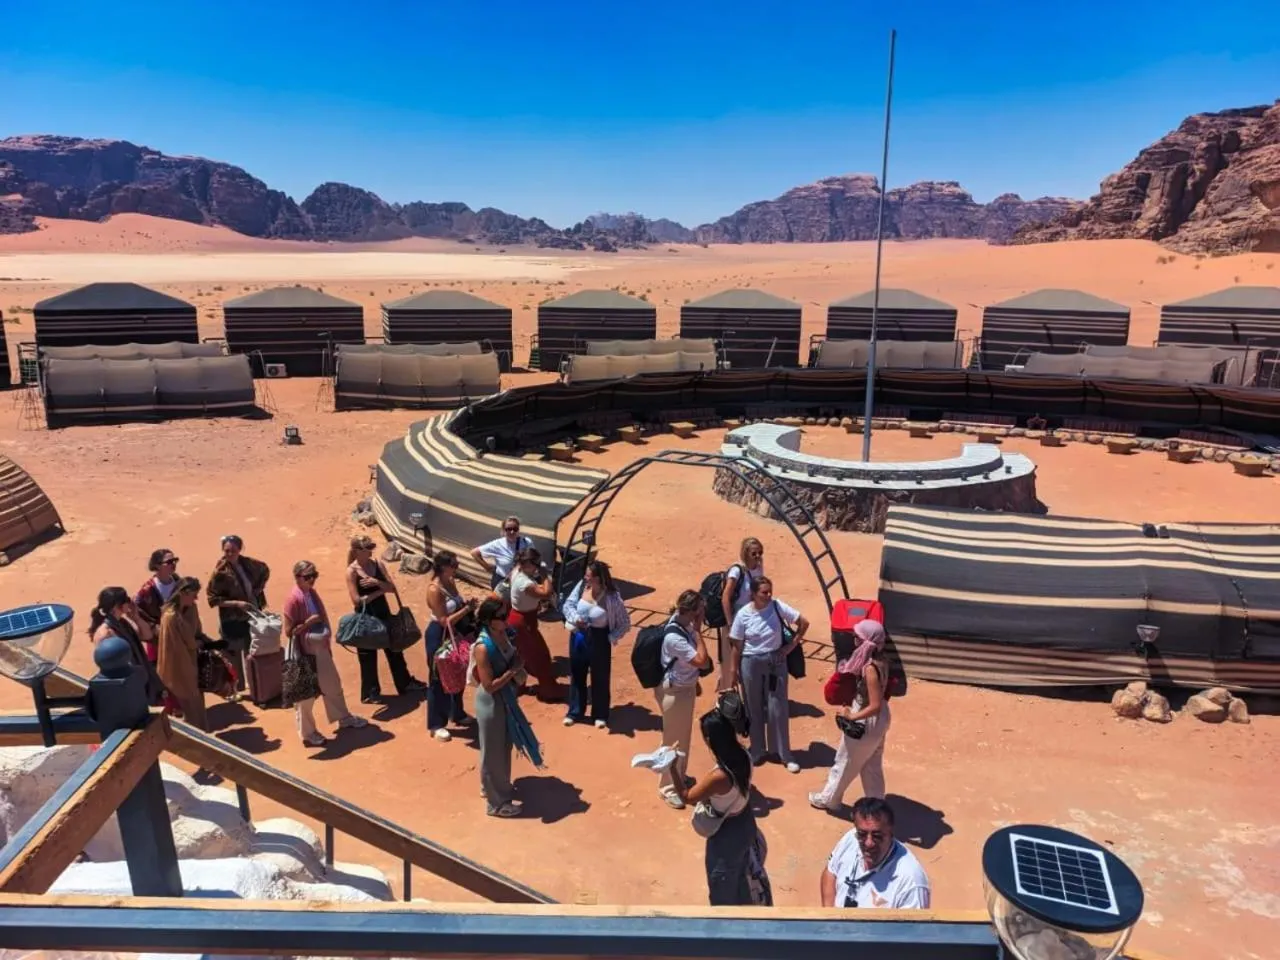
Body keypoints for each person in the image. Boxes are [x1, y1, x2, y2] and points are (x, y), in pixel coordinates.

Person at [670, 696, 773, 906]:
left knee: (721, 889)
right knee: (741, 876)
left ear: (712, 739)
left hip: (726, 835)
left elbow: (686, 796)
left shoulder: (719, 777)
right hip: (745, 822)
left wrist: (672, 767)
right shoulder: (743, 755)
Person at [281, 560, 367, 747]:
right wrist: (308, 623)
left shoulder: (311, 593)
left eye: (314, 575)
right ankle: (308, 733)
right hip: (304, 654)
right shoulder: (293, 599)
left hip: (320, 650)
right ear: (297, 578)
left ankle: (343, 717)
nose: (312, 580)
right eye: (308, 577)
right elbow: (288, 632)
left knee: (332, 684)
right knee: (306, 697)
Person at [471, 596, 543, 818]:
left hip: (505, 700)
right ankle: (497, 804)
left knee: (500, 748)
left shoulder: (503, 635)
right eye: (502, 617)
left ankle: (489, 787)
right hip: (492, 703)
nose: (507, 620)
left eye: (507, 614)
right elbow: (489, 685)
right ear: (489, 620)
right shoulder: (483, 648)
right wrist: (514, 670)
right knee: (495, 752)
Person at [810, 619, 891, 811]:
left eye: (858, 636)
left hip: (866, 718)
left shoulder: (870, 668)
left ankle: (829, 799)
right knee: (871, 765)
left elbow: (874, 705)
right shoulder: (883, 659)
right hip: (880, 721)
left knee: (845, 760)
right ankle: (877, 806)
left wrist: (851, 716)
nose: (854, 638)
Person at [729, 576, 808, 773]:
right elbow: (736, 646)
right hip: (750, 662)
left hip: (776, 661)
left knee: (778, 706)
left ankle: (784, 753)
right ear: (753, 594)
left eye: (770, 591)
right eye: (764, 592)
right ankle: (757, 750)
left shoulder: (777, 606)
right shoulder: (743, 615)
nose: (769, 595)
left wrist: (789, 648)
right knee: (753, 706)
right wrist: (733, 672)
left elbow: (803, 623)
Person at [345, 534, 426, 704]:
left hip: (383, 614)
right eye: (368, 549)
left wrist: (376, 583)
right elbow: (357, 600)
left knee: (395, 649)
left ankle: (404, 683)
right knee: (367, 655)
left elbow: (392, 588)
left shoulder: (377, 565)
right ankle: (370, 692)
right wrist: (380, 592)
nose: (371, 552)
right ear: (358, 551)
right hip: (365, 618)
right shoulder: (351, 572)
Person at [821, 797, 931, 909]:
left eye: (877, 836)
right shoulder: (850, 838)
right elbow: (830, 873)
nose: (869, 843)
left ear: (891, 832)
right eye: (862, 834)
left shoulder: (911, 882)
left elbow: (913, 926)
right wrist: (830, 920)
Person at [655, 590, 711, 809]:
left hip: (682, 689)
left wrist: (694, 682)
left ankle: (679, 776)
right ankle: (668, 788)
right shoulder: (675, 636)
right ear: (694, 612)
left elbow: (682, 664)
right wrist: (698, 632)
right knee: (673, 742)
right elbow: (702, 661)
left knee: (682, 739)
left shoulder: (681, 623)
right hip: (675, 694)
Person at [561, 559, 631, 728]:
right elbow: (568, 605)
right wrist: (574, 618)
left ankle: (600, 715)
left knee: (600, 677)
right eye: (585, 575)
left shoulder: (612, 598)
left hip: (600, 639)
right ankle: (575, 712)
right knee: (577, 674)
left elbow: (625, 622)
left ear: (599, 578)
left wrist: (611, 637)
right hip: (579, 636)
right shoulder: (580, 587)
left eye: (589, 576)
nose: (586, 578)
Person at [206, 535, 270, 697]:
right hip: (232, 620)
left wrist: (257, 589)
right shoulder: (220, 572)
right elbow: (213, 599)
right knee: (233, 656)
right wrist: (236, 604)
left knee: (251, 652)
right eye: (226, 550)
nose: (229, 554)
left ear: (240, 549)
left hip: (251, 617)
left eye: (233, 550)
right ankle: (235, 690)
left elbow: (264, 570)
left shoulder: (248, 564)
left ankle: (255, 687)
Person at [424, 550, 476, 742]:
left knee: (458, 671)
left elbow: (457, 606)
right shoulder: (434, 589)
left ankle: (458, 713)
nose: (457, 568)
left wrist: (466, 607)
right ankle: (436, 724)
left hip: (456, 633)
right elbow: (443, 621)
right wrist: (467, 610)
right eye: (454, 565)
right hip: (439, 636)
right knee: (438, 678)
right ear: (444, 567)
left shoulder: (450, 582)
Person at [88, 586, 164, 706]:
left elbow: (147, 635)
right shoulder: (105, 633)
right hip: (126, 686)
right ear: (117, 606)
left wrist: (136, 618)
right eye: (126, 600)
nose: (129, 603)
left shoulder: (122, 623)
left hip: (138, 678)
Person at [506, 547, 561, 701]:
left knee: (521, 655)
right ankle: (548, 691)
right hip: (524, 622)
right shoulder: (525, 583)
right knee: (540, 656)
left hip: (517, 618)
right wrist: (544, 575)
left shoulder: (517, 570)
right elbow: (546, 593)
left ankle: (519, 686)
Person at [157, 576, 211, 731]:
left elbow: (197, 632)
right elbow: (173, 646)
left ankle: (203, 735)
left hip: (192, 663)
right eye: (193, 594)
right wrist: (196, 644)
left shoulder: (191, 609)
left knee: (197, 703)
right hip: (178, 669)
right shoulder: (170, 617)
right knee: (186, 708)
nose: (196, 598)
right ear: (183, 593)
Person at [717, 537, 765, 690]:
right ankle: (727, 698)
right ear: (745, 553)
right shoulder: (736, 571)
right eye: (754, 553)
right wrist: (730, 625)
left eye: (760, 552)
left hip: (750, 619)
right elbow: (725, 597)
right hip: (734, 620)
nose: (758, 556)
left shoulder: (758, 568)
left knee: (748, 657)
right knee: (729, 660)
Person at [134, 548, 181, 658]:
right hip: (158, 640)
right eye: (169, 562)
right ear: (157, 566)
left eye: (175, 560)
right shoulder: (148, 589)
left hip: (179, 635)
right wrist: (154, 627)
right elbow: (137, 611)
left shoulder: (178, 581)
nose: (173, 564)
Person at [471, 517, 533, 589]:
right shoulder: (497, 544)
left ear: (518, 530)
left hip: (521, 581)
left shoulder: (527, 542)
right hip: (502, 581)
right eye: (508, 529)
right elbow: (474, 553)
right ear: (503, 530)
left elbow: (534, 559)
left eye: (515, 529)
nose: (512, 532)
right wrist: (487, 568)